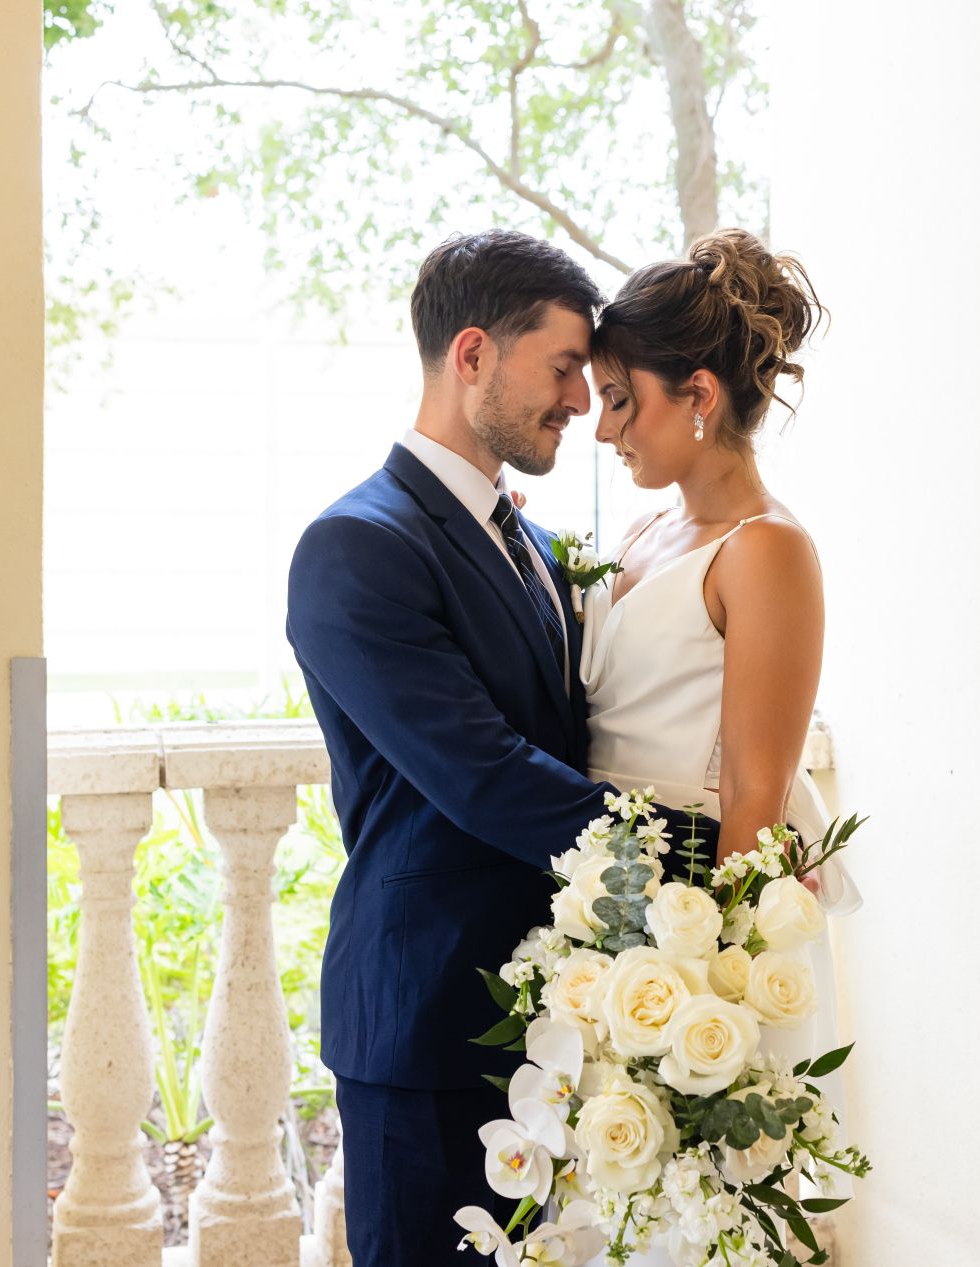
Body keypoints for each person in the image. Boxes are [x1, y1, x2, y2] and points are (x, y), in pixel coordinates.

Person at [286, 228, 618, 1265]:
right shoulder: (358, 545)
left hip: (545, 1018)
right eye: (563, 368)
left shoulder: (534, 543)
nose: (581, 399)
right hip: (424, 1020)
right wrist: (695, 851)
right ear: (472, 354)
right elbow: (482, 772)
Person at [576, 227, 861, 1265]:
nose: (605, 428)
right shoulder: (649, 535)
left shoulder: (770, 552)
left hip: (692, 909)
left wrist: (705, 985)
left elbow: (754, 789)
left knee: (696, 1207)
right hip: (604, 891)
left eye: (623, 398)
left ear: (696, 395)